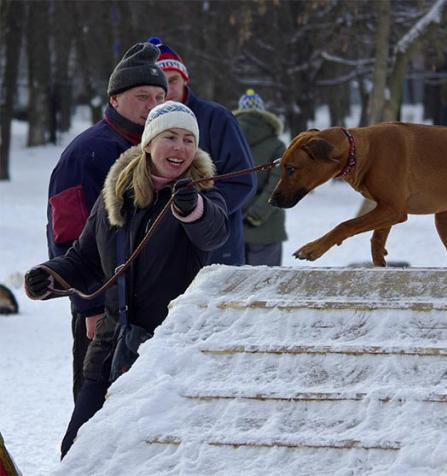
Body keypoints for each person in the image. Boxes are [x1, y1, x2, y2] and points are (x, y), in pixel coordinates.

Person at [25, 101, 229, 458]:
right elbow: (84, 259)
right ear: (148, 142)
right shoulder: (116, 195)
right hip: (109, 345)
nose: (180, 148)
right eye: (170, 137)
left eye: (188, 139)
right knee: (77, 450)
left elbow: (213, 232)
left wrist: (190, 208)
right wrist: (49, 276)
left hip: (165, 354)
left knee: (142, 456)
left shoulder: (202, 193)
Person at [46, 42, 167, 402]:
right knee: (96, 409)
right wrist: (90, 306)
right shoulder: (88, 151)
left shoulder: (164, 151)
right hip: (103, 311)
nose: (153, 106)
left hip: (149, 307)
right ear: (115, 99)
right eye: (142, 96)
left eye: (160, 96)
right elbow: (66, 237)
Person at [147, 36, 256, 265]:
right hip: (161, 255)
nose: (168, 88)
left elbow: (243, 180)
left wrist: (202, 212)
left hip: (216, 253)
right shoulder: (144, 122)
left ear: (185, 80)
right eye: (161, 82)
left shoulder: (217, 118)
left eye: (173, 80)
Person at [234, 89, 288, 265]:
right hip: (267, 228)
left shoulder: (228, 139)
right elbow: (278, 184)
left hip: (232, 224)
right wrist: (256, 214)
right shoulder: (277, 145)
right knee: (264, 286)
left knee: (230, 287)